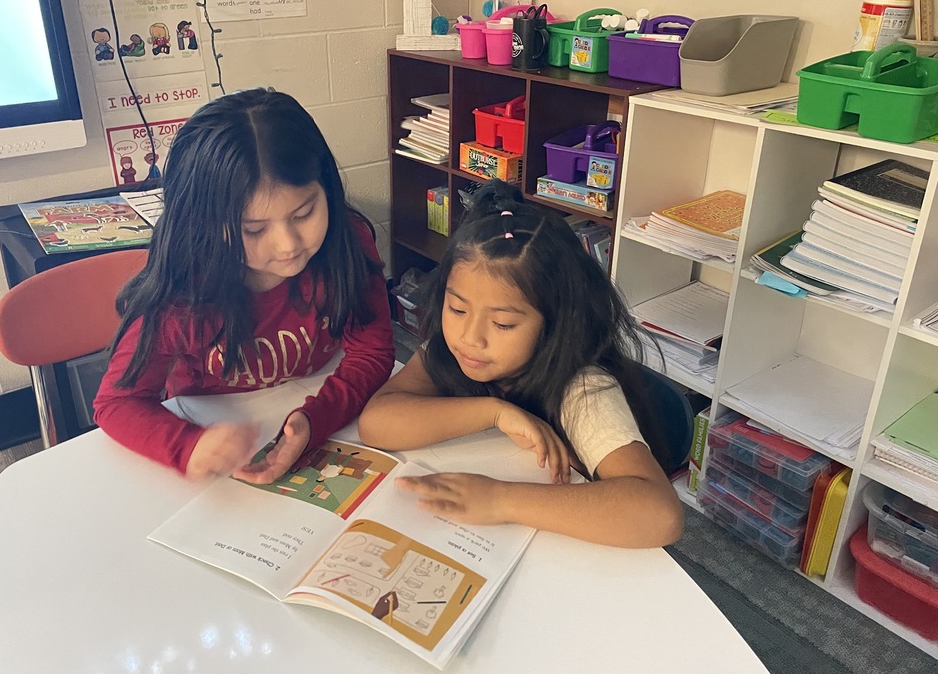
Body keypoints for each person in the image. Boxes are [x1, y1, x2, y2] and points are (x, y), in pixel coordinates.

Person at [358, 181, 683, 548]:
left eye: (503, 324)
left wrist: (499, 499)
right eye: (457, 309)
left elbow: (659, 516)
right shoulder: (453, 352)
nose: (470, 337)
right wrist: (494, 412)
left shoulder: (583, 389)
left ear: (555, 321)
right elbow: (375, 425)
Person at [93, 88, 395, 483]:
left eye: (304, 213)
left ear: (328, 189)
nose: (288, 245)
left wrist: (314, 419)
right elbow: (117, 402)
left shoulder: (346, 242)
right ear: (203, 225)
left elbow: (371, 352)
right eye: (253, 229)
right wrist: (188, 446)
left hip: (311, 406)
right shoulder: (182, 287)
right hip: (213, 434)